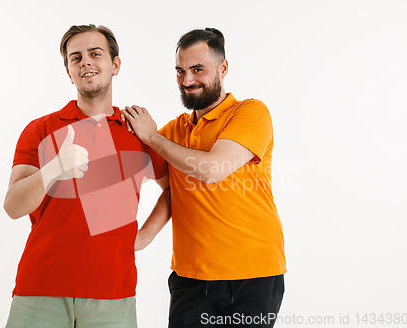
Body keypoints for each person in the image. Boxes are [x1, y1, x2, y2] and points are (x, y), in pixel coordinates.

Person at [3, 24, 169, 328]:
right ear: (69, 71)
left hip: (113, 295)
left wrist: (146, 235)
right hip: (41, 290)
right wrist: (54, 168)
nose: (85, 62)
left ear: (115, 64)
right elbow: (13, 206)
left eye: (95, 53)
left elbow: (173, 189)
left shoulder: (140, 132)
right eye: (75, 58)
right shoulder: (40, 130)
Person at [122, 28, 286, 327]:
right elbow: (174, 190)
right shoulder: (173, 132)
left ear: (223, 68)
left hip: (253, 278)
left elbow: (212, 169)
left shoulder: (250, 113)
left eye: (198, 69)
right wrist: (143, 237)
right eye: (180, 71)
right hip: (191, 278)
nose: (187, 81)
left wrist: (151, 137)